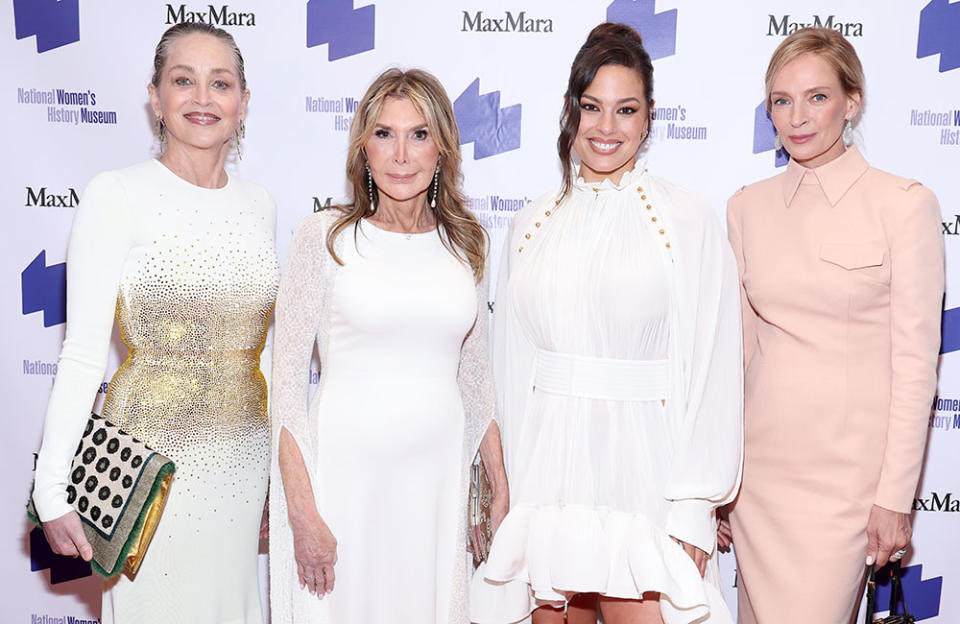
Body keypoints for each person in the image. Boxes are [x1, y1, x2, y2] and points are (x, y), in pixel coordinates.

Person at [476, 23, 742, 624]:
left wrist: (696, 508)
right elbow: (513, 369)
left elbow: (714, 368)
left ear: (649, 118)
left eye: (625, 110)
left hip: (645, 476)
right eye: (592, 108)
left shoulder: (687, 219)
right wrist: (509, 496)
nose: (606, 127)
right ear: (571, 110)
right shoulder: (529, 223)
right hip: (548, 476)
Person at [30, 21, 278, 623]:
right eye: (182, 81)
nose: (202, 98)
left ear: (244, 102)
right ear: (155, 97)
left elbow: (262, 352)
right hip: (149, 475)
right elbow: (84, 353)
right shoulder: (116, 195)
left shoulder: (260, 204)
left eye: (220, 83)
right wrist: (50, 487)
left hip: (242, 466)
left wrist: (273, 474)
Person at [268, 67, 509, 624]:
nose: (402, 154)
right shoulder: (324, 237)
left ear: (443, 147)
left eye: (419, 134)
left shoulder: (466, 243)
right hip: (345, 482)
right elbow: (285, 391)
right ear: (363, 149)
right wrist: (302, 511)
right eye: (384, 134)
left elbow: (476, 378)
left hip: (434, 485)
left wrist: (499, 483)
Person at [725, 27, 944, 623]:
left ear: (852, 102)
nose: (797, 118)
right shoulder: (746, 207)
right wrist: (719, 487)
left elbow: (914, 367)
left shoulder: (903, 204)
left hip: (846, 490)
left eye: (817, 97)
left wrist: (894, 498)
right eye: (781, 100)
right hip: (758, 485)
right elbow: (739, 359)